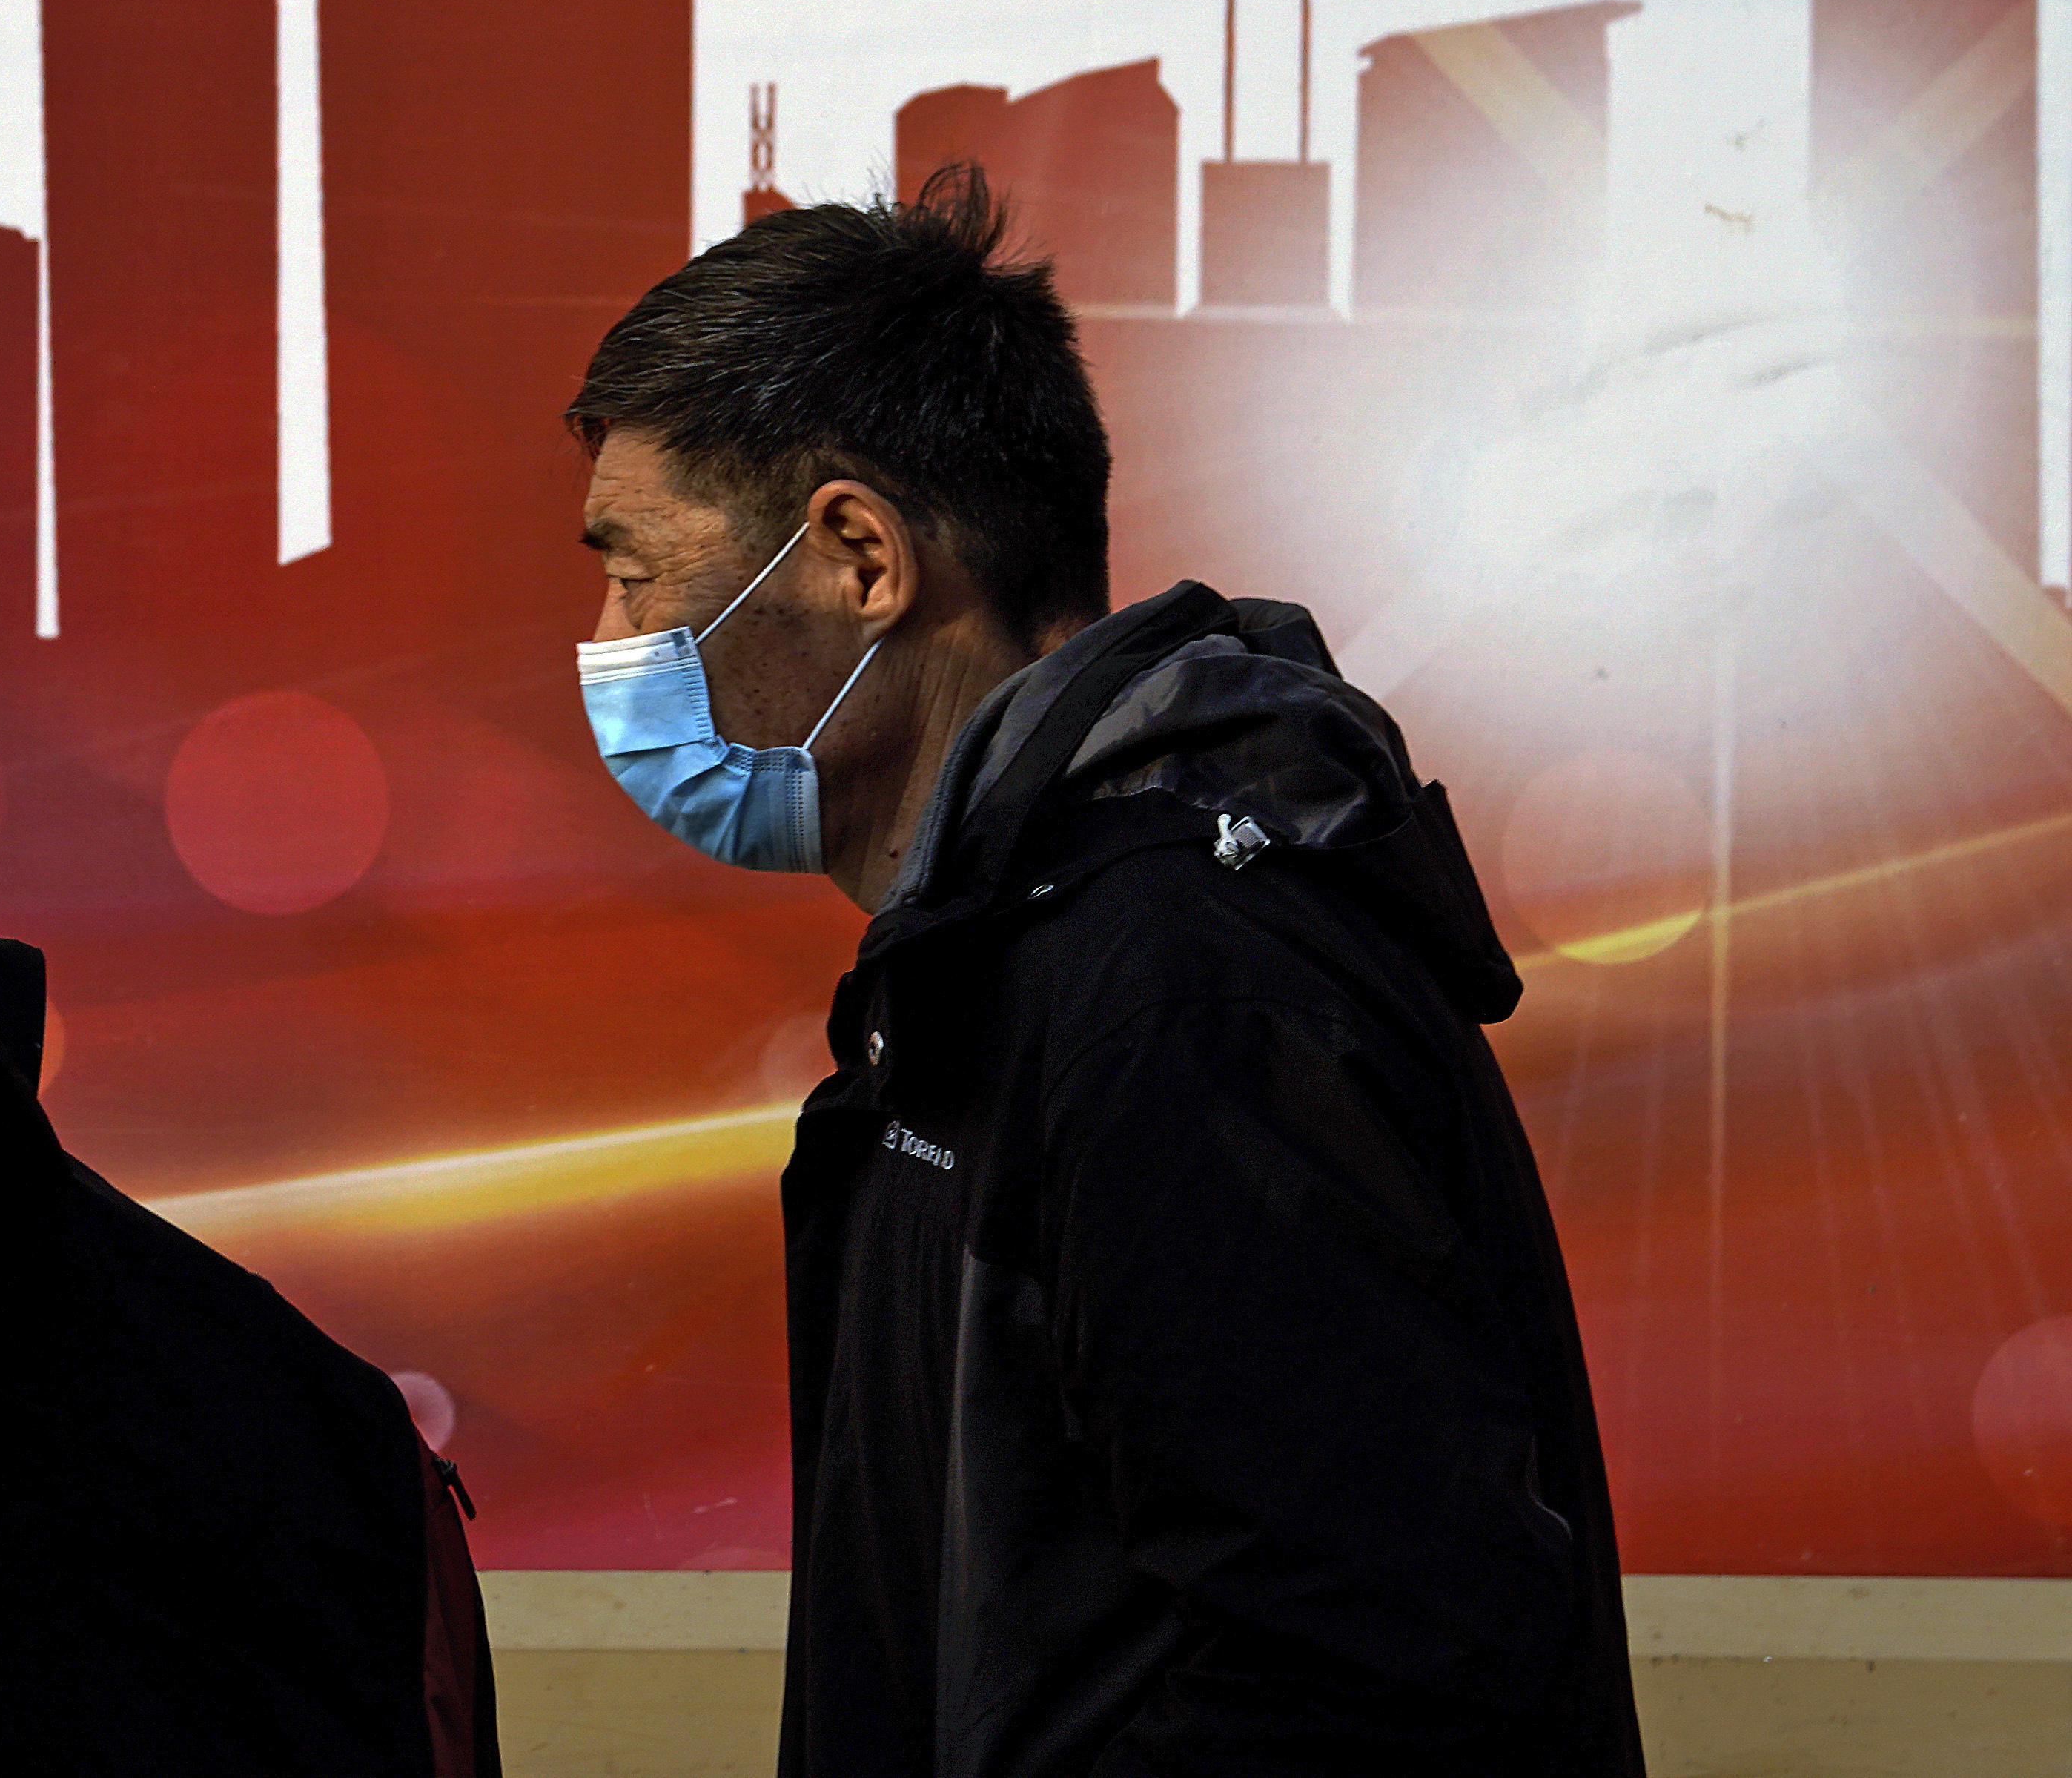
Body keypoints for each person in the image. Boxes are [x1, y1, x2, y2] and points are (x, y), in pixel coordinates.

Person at [565, 168, 1642, 1777]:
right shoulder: (1005, 965)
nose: (608, 636)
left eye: (637, 570)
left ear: (859, 554)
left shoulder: (1178, 989)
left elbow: (1365, 1670)